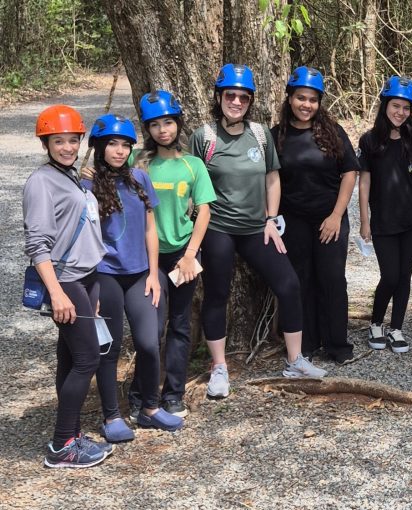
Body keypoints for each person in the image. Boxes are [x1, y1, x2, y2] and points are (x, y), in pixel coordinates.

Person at [191, 63, 327, 399]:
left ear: (250, 100)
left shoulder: (260, 135)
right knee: (217, 293)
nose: (236, 101)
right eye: (230, 95)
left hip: (256, 228)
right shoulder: (204, 137)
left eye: (243, 96)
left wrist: (270, 219)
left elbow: (272, 178)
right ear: (219, 97)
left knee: (288, 282)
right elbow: (190, 180)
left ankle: (295, 359)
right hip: (218, 228)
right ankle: (219, 367)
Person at [84, 114, 184, 441]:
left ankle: (150, 409)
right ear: (98, 147)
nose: (119, 150)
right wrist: (89, 288)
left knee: (148, 342)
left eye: (125, 144)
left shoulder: (140, 178)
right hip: (105, 275)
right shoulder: (85, 184)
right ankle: (112, 416)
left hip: (142, 273)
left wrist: (155, 273)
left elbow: (150, 229)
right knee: (109, 347)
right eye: (111, 143)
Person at [24, 105, 113, 468]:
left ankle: (72, 433)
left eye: (72, 140)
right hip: (65, 280)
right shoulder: (41, 182)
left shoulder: (71, 175)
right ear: (46, 143)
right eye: (58, 141)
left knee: (71, 356)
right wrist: (58, 293)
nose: (66, 147)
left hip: (85, 277)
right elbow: (37, 245)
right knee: (88, 358)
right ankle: (62, 446)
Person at [127, 90, 215, 420]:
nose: (163, 130)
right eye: (154, 125)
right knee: (152, 329)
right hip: (147, 259)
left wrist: (191, 254)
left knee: (179, 324)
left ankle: (173, 395)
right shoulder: (138, 162)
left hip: (182, 255)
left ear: (178, 124)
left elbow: (204, 211)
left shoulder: (192, 165)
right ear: (147, 130)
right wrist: (90, 175)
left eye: (168, 122)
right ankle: (140, 395)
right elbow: (109, 179)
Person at [272, 66, 358, 364]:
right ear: (290, 98)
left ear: (319, 102)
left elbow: (349, 172)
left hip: (329, 218)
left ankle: (337, 344)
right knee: (300, 279)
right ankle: (305, 343)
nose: (306, 105)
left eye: (312, 99)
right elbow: (270, 179)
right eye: (300, 98)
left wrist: (336, 215)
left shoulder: (332, 132)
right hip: (293, 219)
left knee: (332, 278)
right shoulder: (276, 136)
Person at [358, 75, 412, 353]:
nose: (400, 112)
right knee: (389, 275)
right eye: (395, 106)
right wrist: (364, 220)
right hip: (383, 220)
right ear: (385, 105)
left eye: (406, 107)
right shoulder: (369, 141)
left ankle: (396, 328)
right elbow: (364, 182)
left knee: (404, 276)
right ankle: (376, 323)